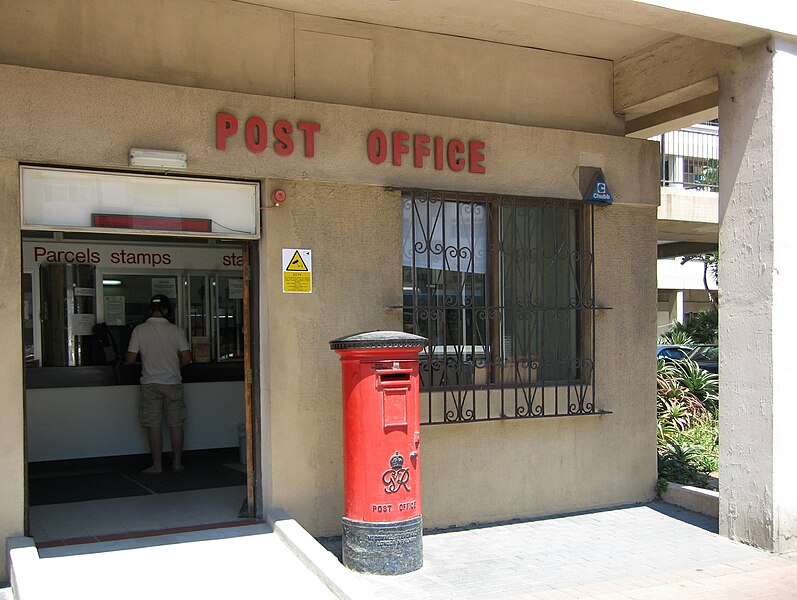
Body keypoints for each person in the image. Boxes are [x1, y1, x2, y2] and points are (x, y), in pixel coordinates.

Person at [126, 294, 191, 474]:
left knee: (153, 424)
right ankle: (177, 463)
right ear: (168, 310)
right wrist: (174, 363)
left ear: (149, 310)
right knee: (176, 423)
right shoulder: (177, 330)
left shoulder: (139, 330)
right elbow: (186, 358)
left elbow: (130, 359)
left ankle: (157, 465)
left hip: (150, 383)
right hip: (172, 382)